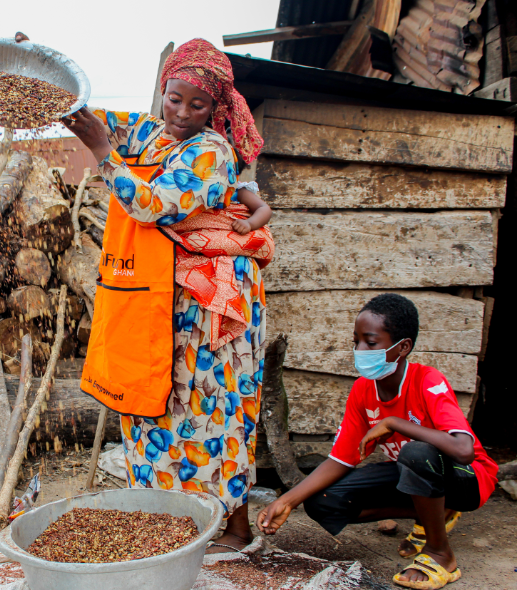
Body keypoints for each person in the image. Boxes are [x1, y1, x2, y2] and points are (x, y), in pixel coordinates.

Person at [62, 38, 274, 553]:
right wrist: (48, 79)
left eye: (197, 105)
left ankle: (237, 527)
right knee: (157, 404)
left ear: (216, 108)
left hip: (208, 307)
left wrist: (101, 154)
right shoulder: (152, 132)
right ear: (163, 91)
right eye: (174, 99)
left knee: (215, 409)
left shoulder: (211, 152)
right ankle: (173, 522)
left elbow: (151, 204)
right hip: (157, 293)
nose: (182, 113)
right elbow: (83, 114)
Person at [256, 294, 498, 589]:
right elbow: (341, 459)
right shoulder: (363, 391)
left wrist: (395, 423)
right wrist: (287, 500)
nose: (360, 350)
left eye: (370, 343)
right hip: (416, 474)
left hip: (468, 479)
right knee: (321, 501)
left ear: (403, 347)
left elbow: (463, 450)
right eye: (355, 341)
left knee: (416, 452)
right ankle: (439, 512)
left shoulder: (427, 380)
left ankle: (440, 553)